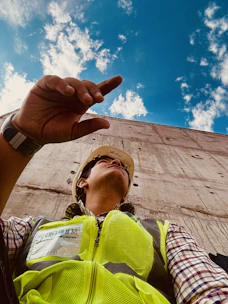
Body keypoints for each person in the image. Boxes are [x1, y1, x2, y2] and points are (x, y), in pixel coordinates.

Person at [0, 75, 228, 304]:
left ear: (126, 191)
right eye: (103, 160)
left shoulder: (164, 233)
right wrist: (21, 133)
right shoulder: (34, 228)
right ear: (82, 182)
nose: (117, 163)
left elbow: (208, 289)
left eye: (124, 169)